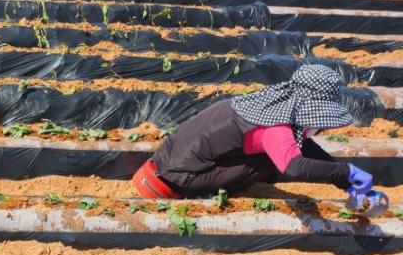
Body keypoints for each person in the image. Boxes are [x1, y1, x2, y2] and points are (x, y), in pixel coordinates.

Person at [132, 64, 388, 215]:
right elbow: (295, 165)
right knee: (272, 160)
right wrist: (347, 171)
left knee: (282, 152)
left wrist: (346, 181)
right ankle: (204, 191)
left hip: (167, 163)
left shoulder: (268, 104)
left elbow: (303, 144)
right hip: (175, 180)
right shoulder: (275, 127)